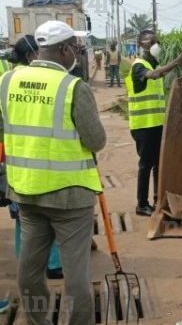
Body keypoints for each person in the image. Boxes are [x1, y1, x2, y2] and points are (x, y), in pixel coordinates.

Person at [0, 20, 106, 324]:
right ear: (63, 49)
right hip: (70, 198)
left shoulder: (7, 81)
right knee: (76, 277)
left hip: (27, 193)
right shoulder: (73, 87)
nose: (76, 53)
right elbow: (96, 140)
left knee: (30, 272)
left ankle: (39, 321)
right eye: (75, 47)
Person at [4, 35, 64, 279]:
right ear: (31, 56)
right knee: (50, 216)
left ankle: (28, 266)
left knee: (22, 217)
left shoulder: (6, 81)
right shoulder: (42, 82)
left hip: (15, 163)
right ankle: (53, 264)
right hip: (36, 160)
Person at [125, 30, 182, 216]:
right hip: (143, 125)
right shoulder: (139, 66)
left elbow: (160, 72)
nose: (156, 44)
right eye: (151, 41)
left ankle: (157, 199)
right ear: (140, 44)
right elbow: (154, 75)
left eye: (157, 41)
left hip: (155, 124)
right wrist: (177, 61)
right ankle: (141, 204)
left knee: (157, 163)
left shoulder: (152, 63)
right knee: (145, 164)